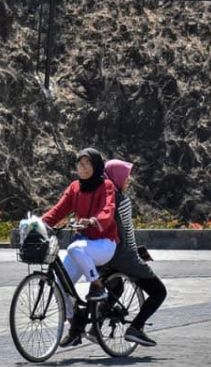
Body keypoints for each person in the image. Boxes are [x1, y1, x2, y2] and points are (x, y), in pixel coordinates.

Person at [41, 148, 119, 347]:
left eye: (87, 164)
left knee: (75, 248)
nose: (82, 168)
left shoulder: (106, 185)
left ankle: (98, 286)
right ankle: (75, 324)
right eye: (79, 164)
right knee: (60, 285)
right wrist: (38, 224)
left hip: (103, 244)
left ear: (96, 166)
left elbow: (107, 210)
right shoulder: (75, 187)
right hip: (82, 244)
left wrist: (92, 221)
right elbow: (59, 209)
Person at [102, 159, 167, 347]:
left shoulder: (101, 197)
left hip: (104, 257)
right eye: (126, 177)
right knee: (158, 292)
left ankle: (95, 324)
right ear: (118, 177)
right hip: (124, 257)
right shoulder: (122, 201)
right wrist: (137, 255)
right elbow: (128, 234)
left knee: (116, 288)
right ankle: (136, 328)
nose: (128, 181)